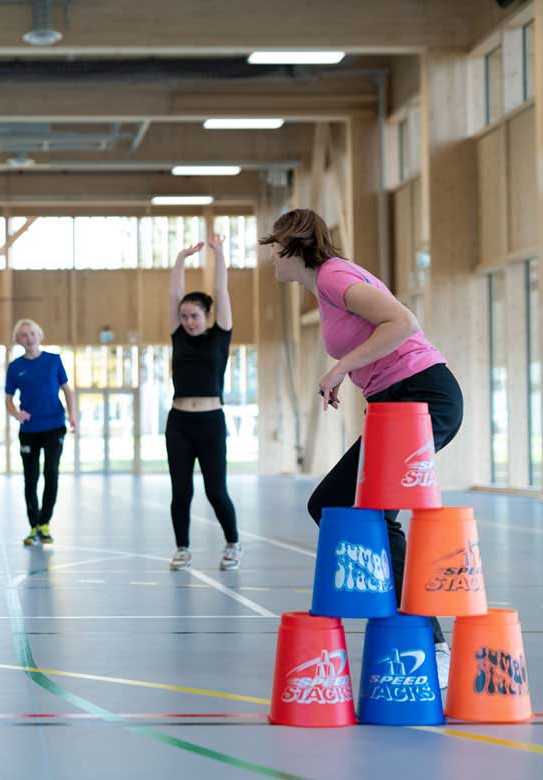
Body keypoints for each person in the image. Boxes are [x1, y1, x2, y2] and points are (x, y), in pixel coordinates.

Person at [260, 207, 462, 687]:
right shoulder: (327, 286)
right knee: (331, 503)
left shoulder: (334, 276)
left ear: (292, 247)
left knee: (367, 511)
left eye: (274, 250)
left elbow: (403, 322)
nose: (270, 260)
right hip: (395, 405)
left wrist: (336, 370)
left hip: (423, 396)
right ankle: (399, 617)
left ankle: (429, 643)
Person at [166, 234, 242, 571]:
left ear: (207, 316)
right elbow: (173, 294)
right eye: (184, 316)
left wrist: (219, 252)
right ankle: (182, 548)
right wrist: (181, 259)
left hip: (211, 422)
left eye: (194, 316)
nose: (188, 321)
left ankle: (232, 544)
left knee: (215, 491)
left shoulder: (220, 335)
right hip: (179, 422)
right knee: (181, 491)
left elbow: (222, 291)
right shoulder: (178, 335)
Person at [5, 319, 77, 546]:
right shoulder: (15, 367)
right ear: (18, 340)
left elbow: (67, 389)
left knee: (51, 472)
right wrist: (16, 414)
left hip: (54, 425)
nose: (29, 338)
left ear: (40, 335)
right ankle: (33, 526)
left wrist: (72, 414)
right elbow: (8, 398)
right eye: (24, 335)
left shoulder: (54, 360)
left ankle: (45, 524)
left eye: (32, 333)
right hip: (29, 430)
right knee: (31, 477)